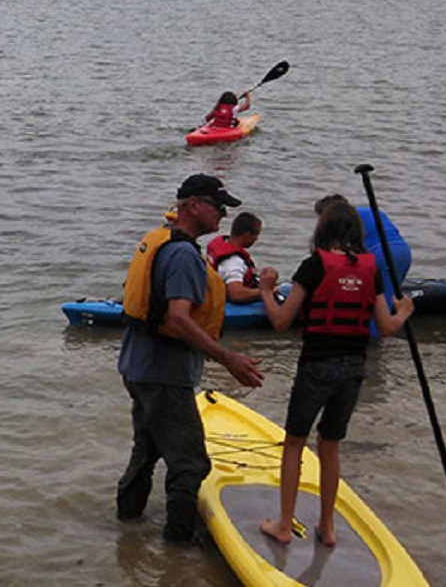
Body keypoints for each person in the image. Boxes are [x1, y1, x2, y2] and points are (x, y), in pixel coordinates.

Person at [117, 174, 265, 544]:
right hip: (164, 374)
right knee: (191, 463)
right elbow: (179, 319)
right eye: (218, 207)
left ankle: (126, 526)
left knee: (147, 449)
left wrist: (206, 349)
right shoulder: (183, 255)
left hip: (138, 366)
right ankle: (178, 546)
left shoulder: (163, 240)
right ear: (193, 206)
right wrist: (227, 358)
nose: (222, 216)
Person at [257, 200, 413, 548]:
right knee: (330, 445)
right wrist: (403, 311)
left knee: (295, 443)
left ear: (322, 229)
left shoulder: (314, 266)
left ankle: (284, 525)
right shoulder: (370, 269)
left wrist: (266, 291)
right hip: (353, 369)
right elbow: (387, 327)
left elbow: (281, 321)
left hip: (316, 366)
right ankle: (327, 526)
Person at [206, 212, 263, 304]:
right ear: (247, 235)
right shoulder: (234, 262)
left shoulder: (223, 243)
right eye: (256, 235)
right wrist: (265, 291)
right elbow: (236, 294)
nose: (256, 239)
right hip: (228, 302)